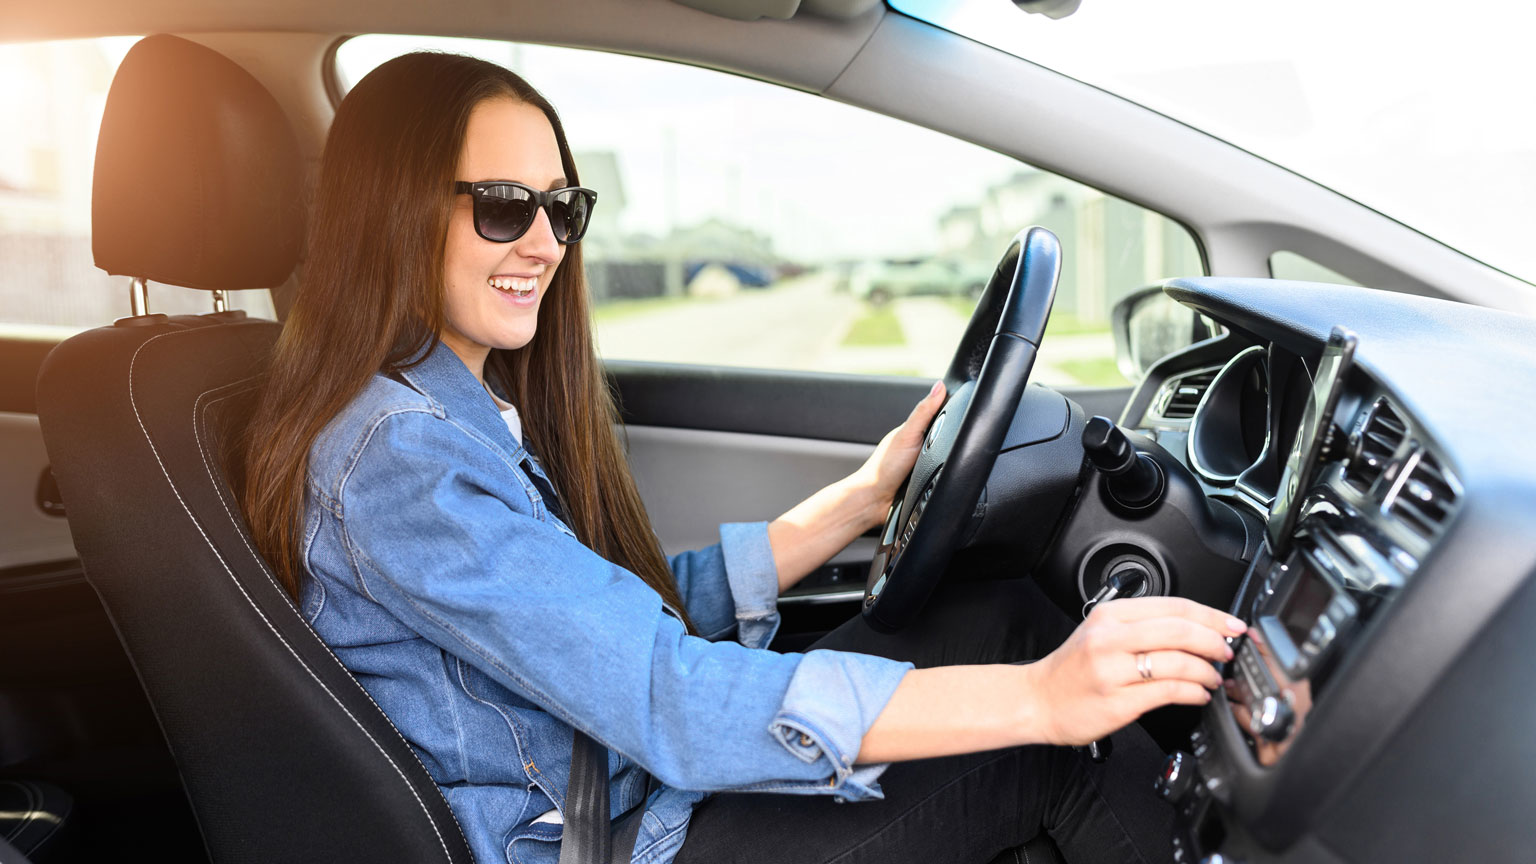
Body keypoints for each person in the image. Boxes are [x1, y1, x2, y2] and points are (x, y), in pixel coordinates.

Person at [234, 51, 1244, 864]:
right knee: (1047, 734)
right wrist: (1044, 699)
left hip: (635, 789)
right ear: (394, 209)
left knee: (1006, 619)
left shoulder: (446, 406)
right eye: (504, 205)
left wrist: (858, 503)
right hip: (620, 838)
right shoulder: (400, 453)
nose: (545, 242)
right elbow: (664, 693)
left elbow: (606, 619)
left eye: (563, 209)